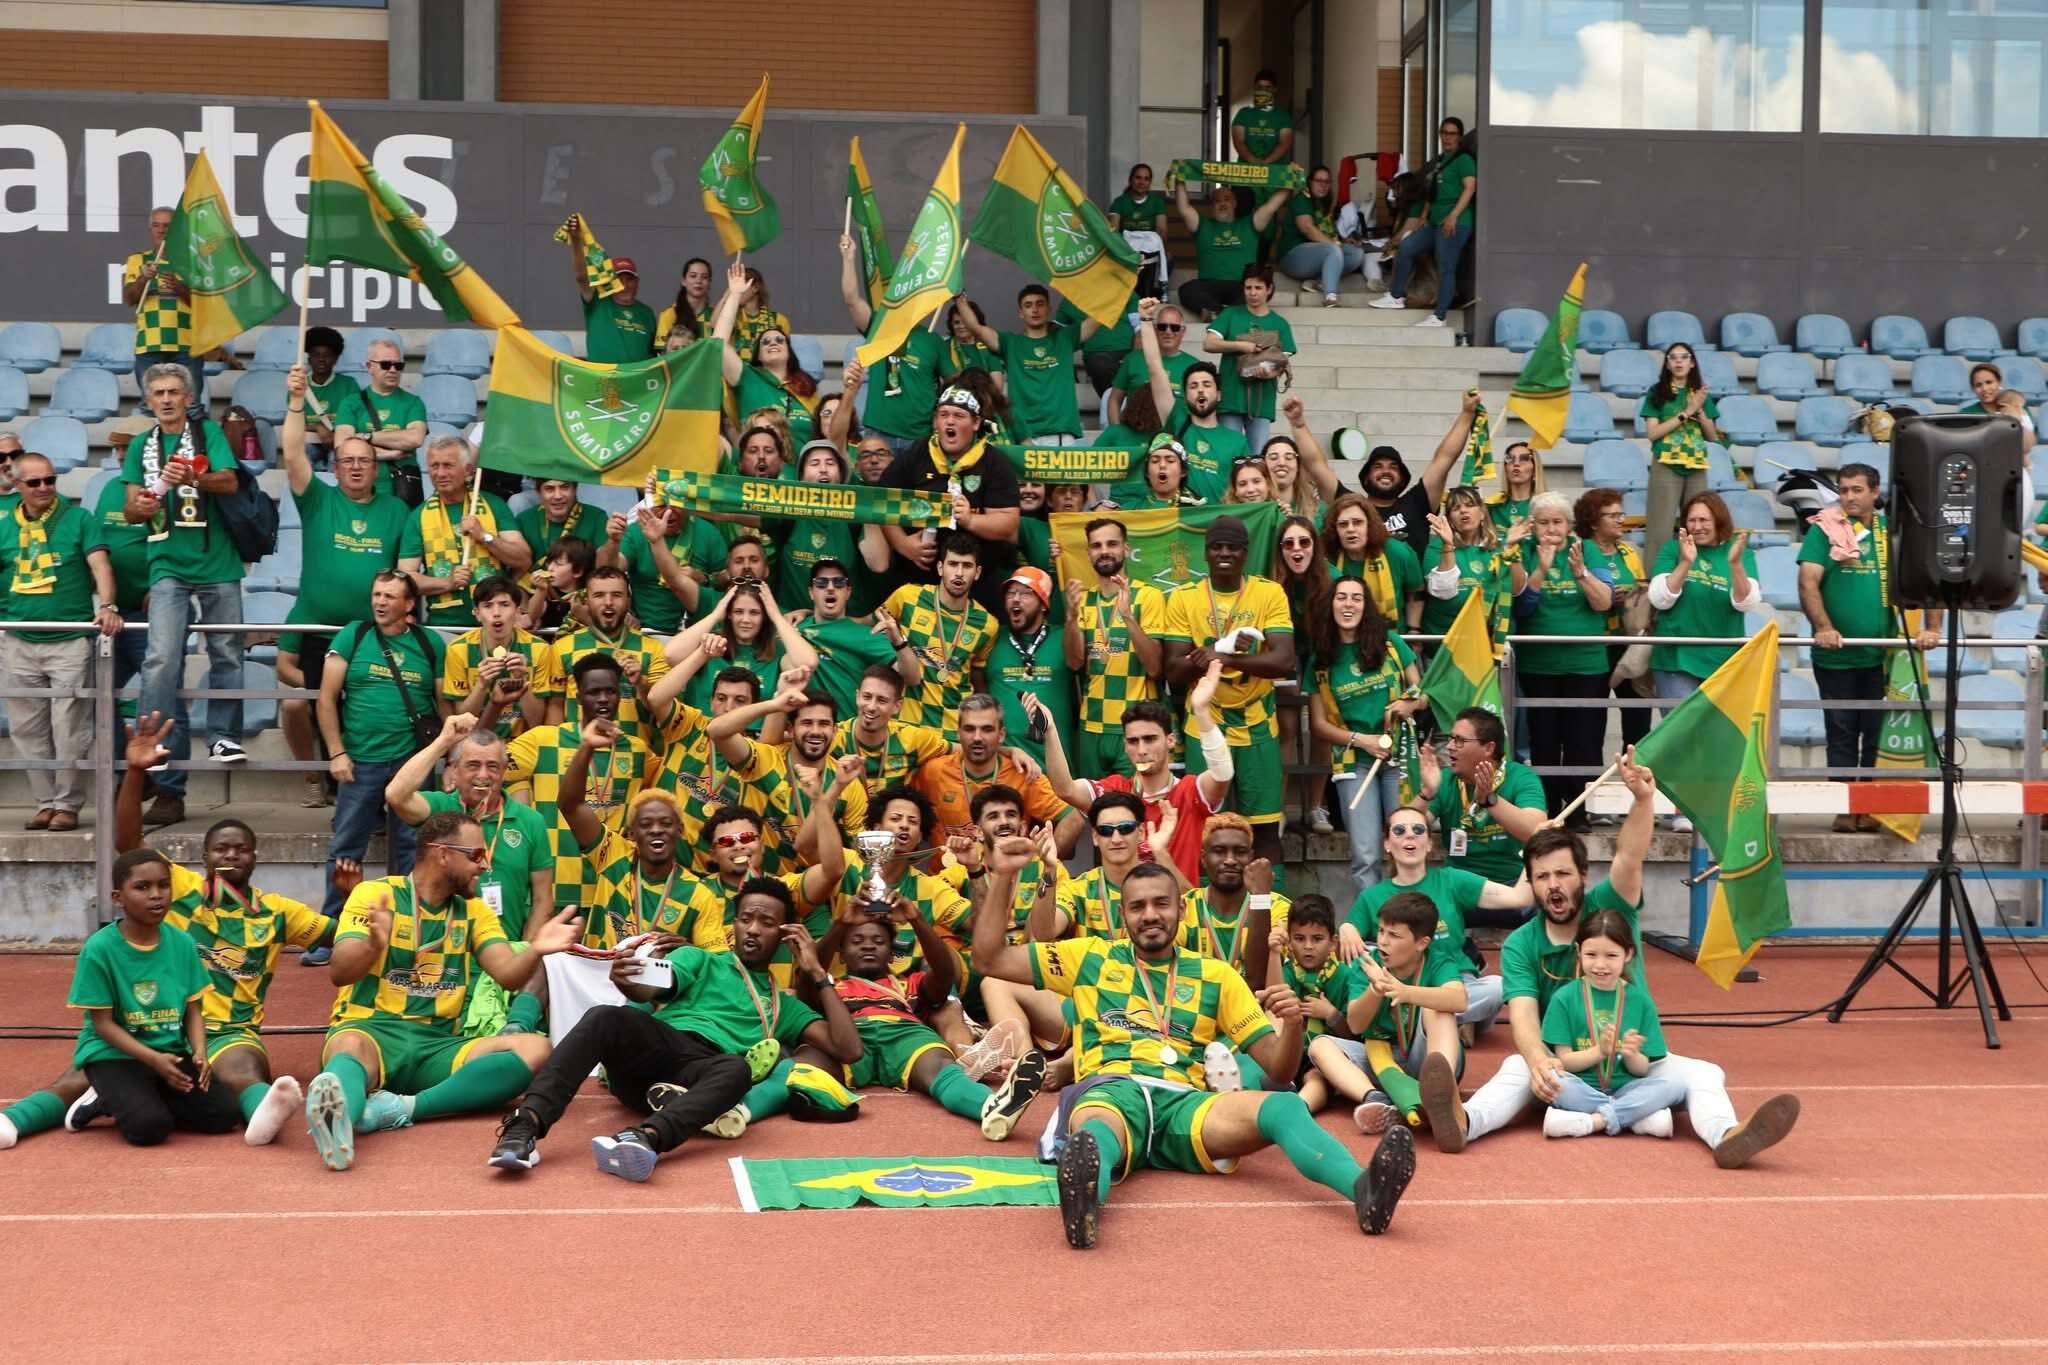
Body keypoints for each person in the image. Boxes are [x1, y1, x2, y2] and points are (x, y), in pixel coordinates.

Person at [970, 838, 1416, 1249]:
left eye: (1161, 904)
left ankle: (1365, 1190)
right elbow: (989, 958)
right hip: (1112, 1088)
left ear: (1180, 911)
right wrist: (1005, 874)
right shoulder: (1089, 956)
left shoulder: (1217, 976)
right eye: (1138, 906)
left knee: (1284, 1106)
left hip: (1187, 1105)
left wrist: (1294, 1025)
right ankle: (1085, 1205)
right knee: (1095, 1134)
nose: (1150, 915)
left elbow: (1278, 1072)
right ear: (1122, 916)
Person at [1448, 759, 1803, 1166]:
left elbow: (1628, 858)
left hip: (1635, 1063)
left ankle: (1728, 1136)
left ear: (1583, 875)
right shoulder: (1520, 945)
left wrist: (1643, 799)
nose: (1554, 886)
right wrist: (1538, 1060)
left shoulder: (1610, 908)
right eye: (1542, 877)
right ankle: (1463, 1123)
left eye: (1563, 874)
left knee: (1705, 1073)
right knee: (1516, 1065)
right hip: (1570, 1067)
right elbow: (1525, 1020)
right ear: (1530, 882)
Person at [486, 878, 857, 1180]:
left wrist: (817, 973)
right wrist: (628, 983)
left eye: (767, 922)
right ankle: (525, 1127)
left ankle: (644, 1140)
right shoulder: (699, 958)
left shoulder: (785, 1006)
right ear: (734, 923)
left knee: (737, 1069)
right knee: (605, 1016)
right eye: (746, 919)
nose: (754, 930)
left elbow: (848, 1048)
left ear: (786, 935)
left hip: (703, 1073)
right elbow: (653, 987)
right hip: (659, 1049)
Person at [78, 713, 327, 1145]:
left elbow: (341, 938)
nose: (231, 855)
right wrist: (136, 773)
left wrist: (360, 903)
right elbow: (127, 844)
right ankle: (29, 1117)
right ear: (205, 856)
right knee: (71, 1078)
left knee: (245, 1068)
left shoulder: (278, 911)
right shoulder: (179, 889)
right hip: (160, 1024)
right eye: (220, 848)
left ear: (255, 857)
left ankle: (265, 1117)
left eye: (242, 848)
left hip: (231, 1031)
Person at [301, 810, 582, 1170]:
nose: (485, 865)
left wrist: (536, 949)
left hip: (437, 1045)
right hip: (373, 1032)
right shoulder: (375, 893)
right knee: (347, 1046)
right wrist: (373, 943)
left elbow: (507, 975)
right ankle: (341, 1121)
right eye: (477, 855)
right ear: (442, 853)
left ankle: (397, 1110)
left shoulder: (474, 911)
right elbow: (339, 972)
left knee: (536, 1048)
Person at [279, 366, 410, 806]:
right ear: (335, 468)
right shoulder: (318, 499)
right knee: (325, 707)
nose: (356, 467)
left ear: (377, 468)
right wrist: (297, 401)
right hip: (321, 630)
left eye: (364, 461)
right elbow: (293, 452)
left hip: (374, 634)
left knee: (367, 714)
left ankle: (368, 798)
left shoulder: (396, 510)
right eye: (348, 461)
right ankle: (333, 785)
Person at [122, 362, 247, 824]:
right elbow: (132, 510)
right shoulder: (141, 445)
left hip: (218, 562)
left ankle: (223, 735)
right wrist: (140, 504)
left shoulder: (207, 433)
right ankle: (154, 743)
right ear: (149, 400)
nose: (168, 399)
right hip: (168, 563)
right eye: (159, 393)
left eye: (175, 391)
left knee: (228, 653)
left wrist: (189, 477)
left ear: (188, 397)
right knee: (160, 659)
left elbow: (230, 481)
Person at [63, 847, 239, 1146]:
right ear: (118, 898)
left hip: (167, 1049)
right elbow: (103, 1025)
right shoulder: (100, 949)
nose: (156, 895)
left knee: (224, 1115)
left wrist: (199, 1052)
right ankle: (105, 1096)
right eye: (142, 887)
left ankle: (132, 1096)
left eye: (163, 885)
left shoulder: (182, 942)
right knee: (150, 1128)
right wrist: (153, 1060)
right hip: (114, 1054)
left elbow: (193, 1009)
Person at [1797, 463, 1938, 830]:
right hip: (1835, 657)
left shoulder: (1894, 533)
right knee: (1841, 733)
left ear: (1875, 493)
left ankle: (1873, 807)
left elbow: (1928, 578)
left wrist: (1933, 628)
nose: (1849, 498)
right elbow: (1808, 582)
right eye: (1843, 490)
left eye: (1857, 490)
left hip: (1886, 657)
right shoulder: (1825, 530)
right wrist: (1824, 627)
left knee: (1877, 734)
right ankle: (1846, 807)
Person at [831, 900, 1047, 1139]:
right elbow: (810, 979)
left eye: (879, 941)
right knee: (805, 1068)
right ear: (841, 954)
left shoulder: (911, 983)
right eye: (857, 941)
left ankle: (991, 1106)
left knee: (942, 1068)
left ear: (892, 954)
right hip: (850, 1037)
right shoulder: (828, 986)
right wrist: (840, 924)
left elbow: (944, 972)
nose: (868, 946)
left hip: (905, 1035)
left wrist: (917, 920)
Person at [1159, 516, 1295, 865]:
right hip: (1205, 725)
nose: (1224, 553)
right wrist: (1224, 649)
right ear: (1205, 553)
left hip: (1258, 725)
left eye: (1232, 547)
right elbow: (1173, 672)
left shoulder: (1269, 592)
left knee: (1263, 828)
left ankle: (1270, 907)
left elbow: (1283, 662)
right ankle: (1201, 909)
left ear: (1245, 553)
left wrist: (1221, 656)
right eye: (1216, 546)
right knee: (1204, 825)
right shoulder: (1183, 598)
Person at [316, 570, 448, 922]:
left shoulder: (429, 643)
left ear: (409, 604)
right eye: (376, 594)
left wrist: (451, 756)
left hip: (413, 764)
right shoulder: (354, 635)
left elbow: (443, 705)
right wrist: (336, 753)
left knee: (414, 849)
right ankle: (332, 928)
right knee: (345, 848)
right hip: (359, 762)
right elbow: (326, 700)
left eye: (389, 596)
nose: (380, 602)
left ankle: (410, 926)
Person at [1339, 803, 1523, 1044]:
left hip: (1455, 982)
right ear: (1386, 844)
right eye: (1399, 830)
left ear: (1429, 843)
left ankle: (1433, 1023)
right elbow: (1354, 948)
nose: (1409, 835)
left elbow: (1519, 897)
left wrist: (1534, 849)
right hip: (1402, 985)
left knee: (1499, 986)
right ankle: (1456, 1023)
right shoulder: (1371, 897)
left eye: (1418, 829)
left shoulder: (1451, 879)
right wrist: (1346, 928)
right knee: (1372, 953)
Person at [1, 451, 118, 831]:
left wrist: (109, 604)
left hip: (69, 638)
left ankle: (67, 805)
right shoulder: (4, 524)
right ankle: (45, 802)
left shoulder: (79, 518)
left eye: (49, 480)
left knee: (69, 727)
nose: (44, 488)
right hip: (17, 638)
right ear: (16, 485)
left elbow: (100, 565)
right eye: (34, 482)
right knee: (26, 728)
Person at [1038, 670, 1231, 887]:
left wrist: (1201, 711)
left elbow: (1222, 774)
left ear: (1170, 741)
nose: (1141, 750)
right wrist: (1050, 731)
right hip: (1121, 911)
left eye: (1150, 739)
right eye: (1133, 741)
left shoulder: (1190, 790)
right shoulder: (1115, 790)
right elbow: (1065, 789)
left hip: (1179, 910)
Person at [1307, 890, 1468, 1138]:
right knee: (1319, 1047)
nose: (1382, 941)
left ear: (1421, 943)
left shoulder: (1436, 960)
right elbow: (1356, 1025)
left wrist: (1405, 992)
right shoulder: (1367, 965)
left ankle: (1441, 1090)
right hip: (1379, 1057)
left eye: (1394, 935)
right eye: (1381, 931)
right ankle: (1375, 1098)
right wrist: (1376, 989)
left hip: (1423, 1057)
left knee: (1439, 1008)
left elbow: (1459, 999)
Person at [507, 652, 657, 912]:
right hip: (553, 890)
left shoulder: (637, 750)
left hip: (611, 889)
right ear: (578, 697)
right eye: (593, 692)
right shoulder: (544, 740)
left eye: (610, 691)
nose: (602, 699)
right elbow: (486, 762)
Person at [1309, 577, 1425, 889]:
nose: (1348, 604)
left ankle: (1411, 921)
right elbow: (1318, 725)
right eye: (1341, 597)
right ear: (1331, 604)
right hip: (1353, 762)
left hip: (1399, 756)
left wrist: (1408, 704)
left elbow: (1423, 693)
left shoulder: (1390, 643)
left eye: (1356, 598)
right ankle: (1375, 929)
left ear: (1366, 605)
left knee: (1406, 846)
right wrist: (1363, 741)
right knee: (1365, 855)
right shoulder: (1320, 658)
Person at [1511, 490, 1616, 824]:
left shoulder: (1585, 549)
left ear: (1570, 526)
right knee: (1543, 742)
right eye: (1543, 522)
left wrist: (1581, 572)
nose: (1551, 529)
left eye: (1557, 522)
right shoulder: (1525, 551)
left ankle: (1579, 813)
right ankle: (1546, 812)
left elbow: (1604, 603)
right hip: (1538, 665)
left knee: (1583, 742)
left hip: (1586, 665)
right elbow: (1522, 607)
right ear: (1533, 526)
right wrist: (1541, 569)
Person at [1537, 910, 1688, 1138]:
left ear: (1628, 954)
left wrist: (1631, 1054)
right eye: (1591, 954)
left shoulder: (1639, 1000)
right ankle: (1635, 1118)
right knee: (1554, 1081)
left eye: (1611, 955)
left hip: (1627, 1088)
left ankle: (1592, 1122)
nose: (1600, 964)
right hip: (1581, 1086)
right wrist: (1599, 1052)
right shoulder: (1564, 998)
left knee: (1675, 1084)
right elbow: (1565, 1061)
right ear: (1578, 952)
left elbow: (1641, 1069)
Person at [879, 385, 1022, 612]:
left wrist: (971, 521)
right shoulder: (918, 452)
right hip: (918, 577)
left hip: (977, 581)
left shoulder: (994, 462)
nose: (950, 422)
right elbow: (883, 500)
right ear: (936, 421)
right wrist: (902, 544)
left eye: (958, 416)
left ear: (976, 423)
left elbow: (1008, 522)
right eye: (943, 415)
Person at [706, 685, 871, 876]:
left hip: (813, 889)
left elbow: (861, 850)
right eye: (807, 723)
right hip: (756, 885)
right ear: (791, 729)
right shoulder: (766, 760)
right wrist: (774, 705)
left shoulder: (847, 781)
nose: (816, 731)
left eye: (824, 724)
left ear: (835, 730)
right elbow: (716, 730)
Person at [1647, 493, 1759, 746]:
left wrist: (1735, 566)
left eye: (1704, 520)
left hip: (1723, 662)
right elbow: (1659, 599)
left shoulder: (1739, 553)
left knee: (1717, 740)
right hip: (1676, 659)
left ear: (1719, 520)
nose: (1697, 527)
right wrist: (1686, 563)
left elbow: (1746, 602)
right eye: (1692, 520)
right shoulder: (1673, 548)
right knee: (1682, 738)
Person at [1061, 517, 1166, 779]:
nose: (1104, 550)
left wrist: (1128, 616)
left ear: (1126, 549)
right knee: (1094, 809)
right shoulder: (1083, 600)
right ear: (1088, 553)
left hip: (1135, 728)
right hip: (1092, 726)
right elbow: (1074, 663)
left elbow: (1154, 667)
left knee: (1138, 808)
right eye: (1096, 545)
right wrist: (1071, 619)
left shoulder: (1147, 596)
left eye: (1112, 544)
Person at [398, 435, 532, 630]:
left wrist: (485, 536)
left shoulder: (494, 505)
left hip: (495, 626)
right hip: (446, 627)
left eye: (448, 465)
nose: (440, 473)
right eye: (434, 466)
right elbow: (406, 578)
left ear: (468, 469)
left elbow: (523, 559)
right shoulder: (418, 516)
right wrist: (447, 582)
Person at [837, 238, 946, 462]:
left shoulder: (934, 341)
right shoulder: (879, 324)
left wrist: (939, 417)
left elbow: (953, 382)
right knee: (878, 494)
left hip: (920, 437)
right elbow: (851, 300)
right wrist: (848, 259)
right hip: (879, 433)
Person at [881, 531, 998, 737]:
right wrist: (810, 612)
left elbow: (978, 681)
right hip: (904, 727)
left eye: (967, 566)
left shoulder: (988, 624)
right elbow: (866, 629)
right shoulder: (907, 597)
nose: (959, 573)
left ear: (977, 572)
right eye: (953, 564)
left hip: (952, 733)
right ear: (940, 567)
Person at [1418, 706, 1547, 887]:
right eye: (1451, 739)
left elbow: (1536, 831)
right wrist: (1427, 792)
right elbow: (1407, 827)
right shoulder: (1445, 778)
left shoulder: (1520, 776)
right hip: (1458, 883)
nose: (1449, 747)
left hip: (1512, 883)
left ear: (1488, 748)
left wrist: (1489, 800)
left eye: (1459, 740)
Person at [541, 565, 670, 742]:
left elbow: (664, 710)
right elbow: (555, 706)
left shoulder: (653, 648)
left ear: (629, 601)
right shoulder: (562, 647)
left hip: (635, 755)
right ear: (587, 602)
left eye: (617, 595)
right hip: (578, 753)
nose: (608, 602)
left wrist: (640, 682)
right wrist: (555, 748)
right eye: (599, 595)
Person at [957, 285, 1099, 445]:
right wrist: (959, 299)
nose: (1035, 310)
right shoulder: (1010, 343)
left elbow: (1099, 316)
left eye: (1040, 304)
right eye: (1028, 305)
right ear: (1021, 313)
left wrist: (1122, 282)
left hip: (1060, 432)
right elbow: (976, 328)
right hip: (1023, 435)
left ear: (1049, 309)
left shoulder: (1065, 338)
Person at [1372, 117, 1476, 327]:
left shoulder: (1464, 159)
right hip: (1434, 221)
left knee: (1446, 266)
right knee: (1407, 246)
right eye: (1444, 133)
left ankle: (1440, 317)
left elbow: (1470, 188)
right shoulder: (1439, 161)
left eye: (1452, 134)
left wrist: (1454, 216)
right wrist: (1423, 217)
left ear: (1459, 137)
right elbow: (1432, 193)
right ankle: (1396, 296)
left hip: (1455, 221)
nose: (1447, 137)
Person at [764, 439, 891, 611]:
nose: (823, 469)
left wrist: (866, 508)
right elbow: (731, 509)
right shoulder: (787, 512)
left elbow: (879, 564)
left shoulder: (854, 518)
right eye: (814, 463)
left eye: (830, 463)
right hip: (793, 623)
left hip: (844, 624)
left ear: (840, 475)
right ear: (801, 477)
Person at [662, 578, 816, 718]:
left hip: (755, 743)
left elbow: (808, 664)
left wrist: (776, 616)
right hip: (704, 737)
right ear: (728, 614)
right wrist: (716, 615)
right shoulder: (711, 643)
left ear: (764, 616)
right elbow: (670, 655)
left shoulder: (777, 649)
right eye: (738, 612)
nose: (746, 620)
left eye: (755, 613)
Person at [794, 557, 922, 716]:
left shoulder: (867, 634)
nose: (830, 588)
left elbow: (913, 678)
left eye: (839, 582)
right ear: (811, 592)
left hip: (846, 730)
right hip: (804, 729)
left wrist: (898, 642)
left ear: (848, 592)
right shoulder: (792, 627)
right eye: (821, 582)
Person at [1359, 392, 1482, 554]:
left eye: (1394, 467)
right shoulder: (1351, 508)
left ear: (1403, 479)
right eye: (1377, 466)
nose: (1386, 471)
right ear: (1366, 477)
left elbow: (1443, 460)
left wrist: (1467, 413)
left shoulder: (1417, 503)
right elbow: (1318, 467)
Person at [1638, 342, 1723, 570]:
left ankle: (1699, 574)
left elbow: (1712, 436)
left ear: (1692, 362)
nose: (1678, 361)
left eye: (1684, 357)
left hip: (1696, 465)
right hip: (1666, 464)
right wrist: (1686, 412)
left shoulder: (1701, 394)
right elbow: (1653, 433)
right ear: (1667, 364)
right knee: (1660, 528)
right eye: (1673, 357)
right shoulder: (1657, 392)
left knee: (1699, 524)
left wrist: (1700, 409)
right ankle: (1654, 580)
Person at [714, 262, 819, 448]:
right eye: (765, 341)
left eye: (780, 340)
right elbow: (719, 343)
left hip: (800, 473)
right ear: (758, 356)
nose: (772, 343)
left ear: (790, 352)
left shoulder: (806, 386)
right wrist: (734, 294)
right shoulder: (748, 378)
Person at [1579, 487, 1652, 751]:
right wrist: (1606, 597)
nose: (1621, 519)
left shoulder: (1629, 553)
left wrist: (1631, 596)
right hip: (1596, 649)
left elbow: (1642, 591)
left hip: (1629, 647)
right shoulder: (1581, 552)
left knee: (1638, 723)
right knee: (1590, 724)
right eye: (1613, 515)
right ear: (1593, 521)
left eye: (1621, 513)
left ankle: (1633, 779)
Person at [441, 574, 557, 739]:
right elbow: (462, 721)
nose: (496, 613)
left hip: (523, 745)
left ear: (518, 611)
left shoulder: (539, 649)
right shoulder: (458, 649)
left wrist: (521, 679)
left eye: (504, 605)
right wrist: (481, 684)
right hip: (475, 744)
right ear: (477, 613)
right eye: (488, 606)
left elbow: (536, 721)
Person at [1204, 265, 1296, 451]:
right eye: (1248, 288)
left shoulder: (1280, 323)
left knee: (1258, 459)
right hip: (1231, 398)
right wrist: (1240, 346)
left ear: (1269, 289)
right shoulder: (1230, 314)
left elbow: (1282, 362)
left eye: (1258, 288)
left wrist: (1268, 372)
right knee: (1230, 455)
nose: (1253, 293)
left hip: (1261, 402)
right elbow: (1209, 343)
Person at [1172, 174, 1289, 320]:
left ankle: (1222, 313)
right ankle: (1219, 312)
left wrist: (1290, 179)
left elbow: (1272, 206)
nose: (1222, 204)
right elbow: (1184, 208)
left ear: (1235, 203)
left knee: (1264, 287)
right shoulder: (1202, 224)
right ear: (1212, 205)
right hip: (1208, 285)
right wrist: (1180, 177)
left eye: (1227, 199)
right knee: (1186, 290)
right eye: (1217, 201)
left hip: (1241, 286)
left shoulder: (1250, 223)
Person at [984, 567, 1068, 765]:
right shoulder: (992, 636)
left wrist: (1072, 616)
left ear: (1043, 604)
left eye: (1025, 593)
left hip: (1053, 764)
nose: (1015, 599)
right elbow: (977, 683)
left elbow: (1079, 662)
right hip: (1005, 762)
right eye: (1011, 593)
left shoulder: (1063, 637)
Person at [122, 206, 202, 403]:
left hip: (187, 344)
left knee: (190, 404)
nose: (161, 230)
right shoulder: (138, 259)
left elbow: (205, 303)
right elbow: (130, 299)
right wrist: (142, 279)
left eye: (167, 226)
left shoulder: (193, 261)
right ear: (150, 230)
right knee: (151, 405)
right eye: (156, 225)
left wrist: (179, 288)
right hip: (149, 344)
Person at [332, 338, 429, 500]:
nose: (392, 370)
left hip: (402, 492)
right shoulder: (351, 403)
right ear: (370, 367)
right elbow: (342, 447)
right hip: (362, 493)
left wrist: (365, 437)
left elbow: (415, 438)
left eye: (398, 365)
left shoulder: (413, 402)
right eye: (385, 364)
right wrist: (387, 454)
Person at [1418, 485, 1513, 647]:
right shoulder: (1436, 547)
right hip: (1444, 646)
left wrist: (1512, 548)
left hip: (1485, 646)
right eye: (1456, 508)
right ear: (1449, 519)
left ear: (1482, 513)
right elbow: (1444, 592)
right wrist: (1448, 546)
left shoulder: (1498, 548)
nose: (1463, 511)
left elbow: (1515, 591)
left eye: (1470, 505)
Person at [1322, 492, 1421, 628]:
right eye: (1343, 524)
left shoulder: (1399, 552)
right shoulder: (1328, 559)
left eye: (1357, 522)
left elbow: (1416, 591)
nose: (1350, 529)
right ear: (1335, 529)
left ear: (1370, 525)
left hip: (1391, 638)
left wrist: (1414, 629)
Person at [1275, 164, 1367, 307]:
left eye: (1327, 182)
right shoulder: (1302, 199)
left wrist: (1343, 241)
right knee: (1333, 250)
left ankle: (1318, 282)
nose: (1323, 185)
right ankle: (1330, 296)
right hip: (1292, 256)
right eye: (1319, 181)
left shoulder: (1322, 204)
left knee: (1356, 254)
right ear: (1310, 182)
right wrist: (1334, 244)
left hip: (1317, 254)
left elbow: (1328, 233)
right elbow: (1307, 228)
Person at [1107, 304, 1197, 428]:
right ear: (1154, 329)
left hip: (1174, 438)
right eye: (1162, 327)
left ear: (1183, 331)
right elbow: (1114, 399)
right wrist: (1116, 431)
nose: (1168, 332)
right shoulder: (1133, 359)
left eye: (1174, 327)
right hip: (1134, 432)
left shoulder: (1194, 365)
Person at [571, 237, 655, 364]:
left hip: (636, 381)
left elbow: (654, 354)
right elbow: (581, 277)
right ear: (609, 282)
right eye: (619, 280)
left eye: (629, 279)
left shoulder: (646, 313)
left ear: (637, 283)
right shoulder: (597, 302)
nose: (625, 285)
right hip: (602, 380)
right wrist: (575, 240)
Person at [1267, 400, 1345, 522]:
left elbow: (1316, 462)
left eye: (1289, 457)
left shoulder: (1319, 511)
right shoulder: (1255, 510)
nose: (1281, 463)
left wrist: (1299, 425)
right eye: (1273, 457)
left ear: (1298, 466)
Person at [297, 325, 361, 460]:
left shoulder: (349, 385)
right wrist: (318, 427)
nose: (321, 359)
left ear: (336, 359)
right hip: (310, 443)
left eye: (327, 355)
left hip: (340, 441)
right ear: (309, 359)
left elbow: (356, 419)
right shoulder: (299, 386)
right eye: (316, 355)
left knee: (341, 456)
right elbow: (296, 422)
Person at [515, 479, 606, 559]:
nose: (558, 496)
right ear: (539, 493)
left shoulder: (596, 517)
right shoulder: (524, 519)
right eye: (549, 489)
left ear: (575, 489)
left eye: (564, 487)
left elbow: (606, 568)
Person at [1961, 362, 2038, 454]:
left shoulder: (2017, 405)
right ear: (1974, 389)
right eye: (1978, 385)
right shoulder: (1967, 413)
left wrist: (2018, 420)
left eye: (1989, 382)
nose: (1984, 388)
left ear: (1999, 382)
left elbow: (2027, 447)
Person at [655, 256, 714, 350]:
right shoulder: (669, 314)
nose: (698, 281)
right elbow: (662, 356)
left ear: (709, 283)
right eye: (693, 276)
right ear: (683, 281)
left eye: (704, 277)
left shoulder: (716, 315)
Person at [1488, 442, 1545, 534]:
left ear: (1535, 469)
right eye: (1510, 459)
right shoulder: (1492, 507)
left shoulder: (1545, 506)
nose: (1516, 463)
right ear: (1505, 468)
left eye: (1524, 458)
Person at [1107, 162, 1168, 234]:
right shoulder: (1119, 202)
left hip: (1150, 244)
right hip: (1126, 244)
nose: (1142, 182)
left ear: (1150, 182)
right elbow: (1113, 233)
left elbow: (1162, 232)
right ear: (1130, 180)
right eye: (1138, 178)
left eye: (1146, 179)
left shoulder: (1157, 202)